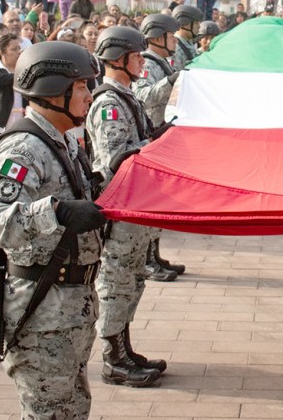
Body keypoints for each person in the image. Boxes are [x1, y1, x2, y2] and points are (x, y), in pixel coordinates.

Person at [0, 40, 104, 420]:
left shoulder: (61, 140)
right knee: (48, 411)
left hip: (70, 308)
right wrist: (57, 212)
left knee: (72, 407)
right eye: (81, 86)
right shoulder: (24, 148)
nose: (90, 95)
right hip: (43, 311)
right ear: (53, 90)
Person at [86, 26, 165, 387]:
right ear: (118, 59)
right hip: (119, 207)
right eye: (136, 57)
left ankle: (125, 349)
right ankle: (113, 359)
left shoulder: (126, 97)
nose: (141, 63)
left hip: (136, 203)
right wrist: (157, 147)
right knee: (117, 281)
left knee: (133, 279)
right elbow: (116, 156)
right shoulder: (109, 104)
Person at [133, 13, 185, 282]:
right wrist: (171, 81)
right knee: (151, 203)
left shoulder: (162, 62)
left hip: (163, 137)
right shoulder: (147, 64)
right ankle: (147, 260)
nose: (175, 40)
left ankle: (154, 254)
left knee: (160, 203)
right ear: (157, 37)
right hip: (151, 138)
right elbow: (143, 95)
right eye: (170, 35)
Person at [171, 5, 202, 70]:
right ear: (184, 24)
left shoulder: (188, 43)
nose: (199, 26)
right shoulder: (175, 48)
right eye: (196, 23)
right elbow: (176, 74)